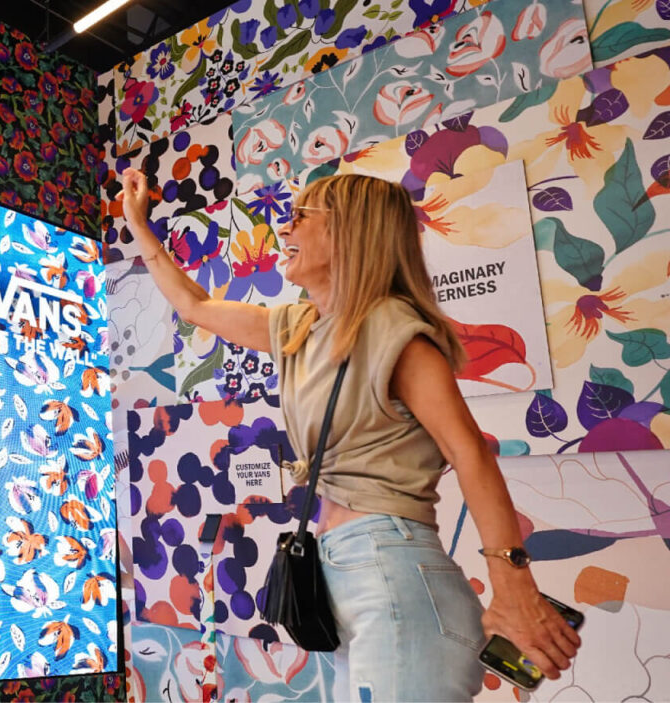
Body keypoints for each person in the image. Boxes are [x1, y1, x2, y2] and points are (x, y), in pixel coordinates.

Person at [118, 167, 581, 701]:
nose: (283, 229)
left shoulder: (395, 332)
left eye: (300, 216)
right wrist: (139, 226)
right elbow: (195, 306)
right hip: (351, 574)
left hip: (393, 577)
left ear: (348, 232)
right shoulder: (299, 328)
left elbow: (470, 453)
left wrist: (513, 587)